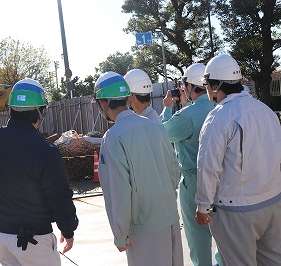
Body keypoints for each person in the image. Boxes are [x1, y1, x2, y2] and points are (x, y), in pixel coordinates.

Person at [0, 78, 79, 266]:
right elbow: (59, 196)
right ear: (41, 112)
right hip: (33, 240)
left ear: (10, 110)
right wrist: (68, 230)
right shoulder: (45, 151)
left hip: (2, 237)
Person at [195, 54, 281, 266]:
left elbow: (208, 167)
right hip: (272, 202)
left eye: (206, 84)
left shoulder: (218, 117)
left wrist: (203, 206)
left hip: (236, 210)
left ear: (215, 85)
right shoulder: (265, 110)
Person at [93, 71, 183, 266]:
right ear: (127, 98)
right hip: (170, 221)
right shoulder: (154, 126)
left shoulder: (113, 137)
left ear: (102, 103)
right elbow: (175, 171)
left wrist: (120, 233)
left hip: (142, 230)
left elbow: (118, 191)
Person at [160, 63, 221, 266]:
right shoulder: (218, 106)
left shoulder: (185, 116)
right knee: (224, 235)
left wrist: (168, 108)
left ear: (188, 86)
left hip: (193, 180)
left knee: (198, 237)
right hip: (222, 177)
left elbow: (161, 134)